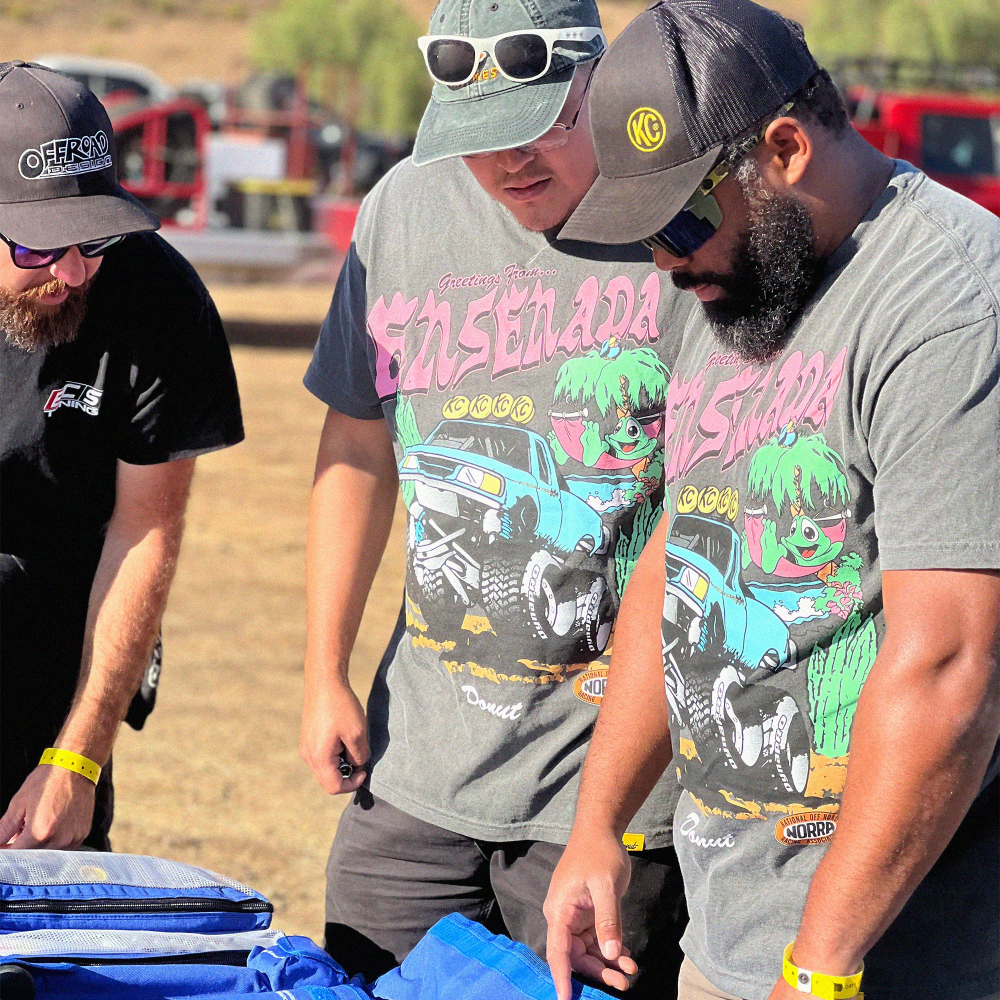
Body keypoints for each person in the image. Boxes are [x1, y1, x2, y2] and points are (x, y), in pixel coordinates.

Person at [542, 2, 1000, 999]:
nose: (663, 262)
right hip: (732, 941)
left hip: (889, 965)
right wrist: (597, 823)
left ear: (783, 148)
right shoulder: (728, 285)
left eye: (678, 220)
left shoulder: (950, 304)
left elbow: (950, 665)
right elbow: (684, 549)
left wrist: (821, 966)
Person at [300, 0, 688, 994]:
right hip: (416, 766)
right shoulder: (402, 209)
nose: (509, 166)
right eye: (479, 142)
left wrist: (610, 814)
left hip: (612, 798)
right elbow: (356, 442)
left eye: (537, 129)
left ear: (596, 83)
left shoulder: (680, 234)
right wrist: (321, 669)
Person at [0, 61, 244, 852]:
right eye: (38, 247)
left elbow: (142, 533)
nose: (71, 273)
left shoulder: (156, 301)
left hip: (51, 661)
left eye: (94, 237)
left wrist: (78, 754)